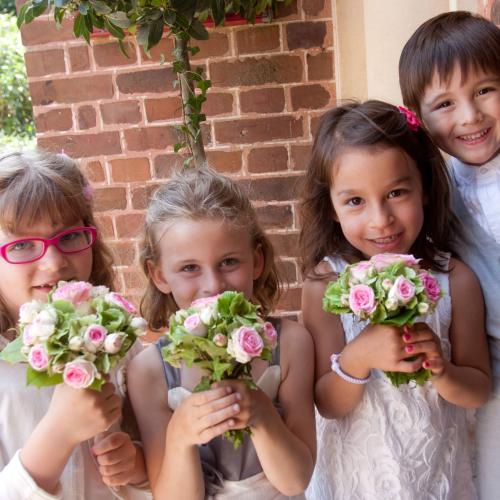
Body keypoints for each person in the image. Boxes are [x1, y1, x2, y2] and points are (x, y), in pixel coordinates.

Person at [299, 100, 491, 500]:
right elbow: (327, 403)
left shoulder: (456, 280)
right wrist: (358, 357)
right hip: (356, 482)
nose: (380, 218)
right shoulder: (325, 284)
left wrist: (442, 370)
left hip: (436, 477)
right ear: (332, 208)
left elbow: (477, 388)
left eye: (396, 192)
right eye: (355, 201)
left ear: (424, 189)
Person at [127, 166, 315, 499]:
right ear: (158, 275)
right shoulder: (149, 372)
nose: (213, 285)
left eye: (229, 261)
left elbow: (296, 480)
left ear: (256, 261)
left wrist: (260, 412)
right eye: (189, 268)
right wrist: (180, 436)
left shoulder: (291, 343)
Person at [0, 150, 149, 499]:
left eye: (68, 237)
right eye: (22, 244)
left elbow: (165, 467)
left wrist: (138, 467)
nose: (54, 263)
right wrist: (59, 433)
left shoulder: (120, 345)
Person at [399, 11, 500, 498]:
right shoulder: (435, 196)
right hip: (495, 378)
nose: (470, 116)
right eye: (445, 103)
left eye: (485, 89)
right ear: (417, 116)